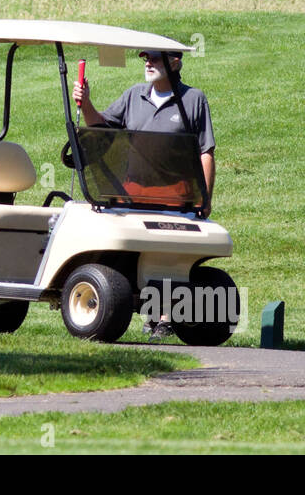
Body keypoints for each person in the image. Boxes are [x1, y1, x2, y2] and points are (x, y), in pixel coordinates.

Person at [72, 49, 215, 338]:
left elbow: (206, 152)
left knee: (167, 255)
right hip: (133, 197)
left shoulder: (193, 99)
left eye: (156, 59)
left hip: (177, 199)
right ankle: (143, 311)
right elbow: (101, 128)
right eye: (145, 58)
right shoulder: (134, 95)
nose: (148, 63)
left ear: (175, 63)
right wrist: (86, 104)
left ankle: (165, 316)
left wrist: (206, 198)